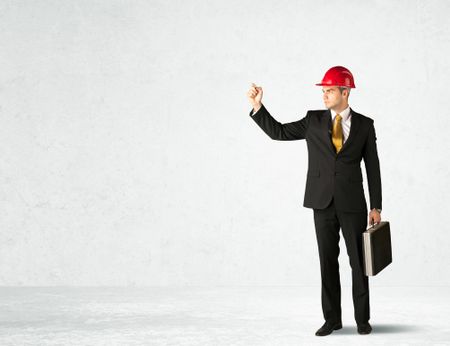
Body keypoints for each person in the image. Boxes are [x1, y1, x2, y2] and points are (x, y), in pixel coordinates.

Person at [246, 66, 382, 336]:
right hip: (321, 202)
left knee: (359, 263)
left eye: (330, 90)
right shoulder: (313, 120)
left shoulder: (365, 124)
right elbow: (279, 132)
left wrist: (376, 206)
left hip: (353, 202)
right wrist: (258, 107)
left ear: (346, 92)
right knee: (327, 261)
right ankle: (332, 320)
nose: (325, 95)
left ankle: (362, 319)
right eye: (323, 91)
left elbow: (373, 166)